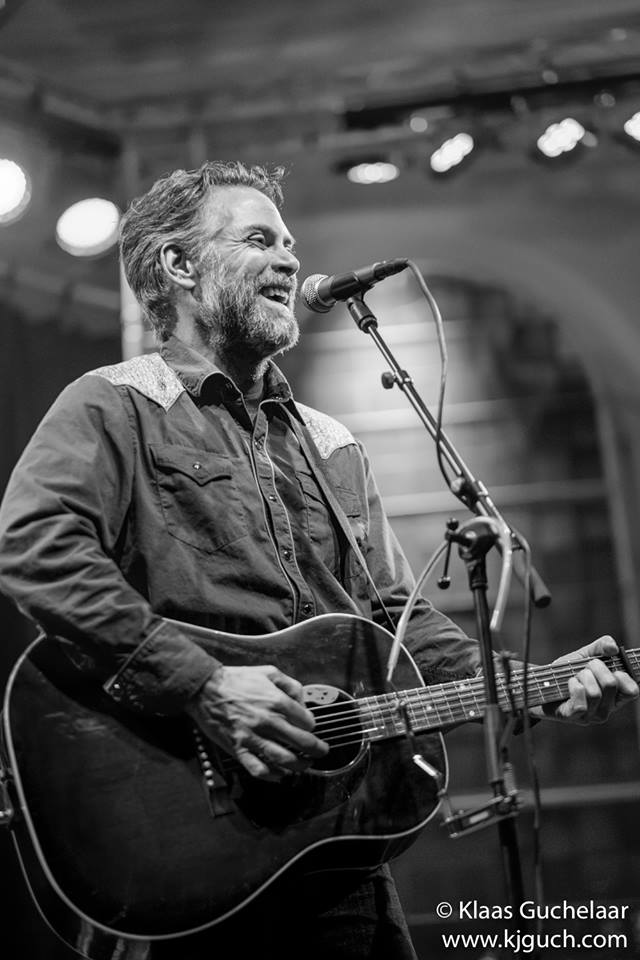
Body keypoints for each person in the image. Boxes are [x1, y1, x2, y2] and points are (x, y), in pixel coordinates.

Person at [0, 160, 637, 960]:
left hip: (335, 854)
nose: (290, 259)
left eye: (290, 243)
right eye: (259, 239)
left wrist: (532, 686)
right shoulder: (115, 404)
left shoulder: (330, 444)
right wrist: (205, 686)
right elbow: (36, 549)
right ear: (180, 264)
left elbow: (395, 623)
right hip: (184, 849)